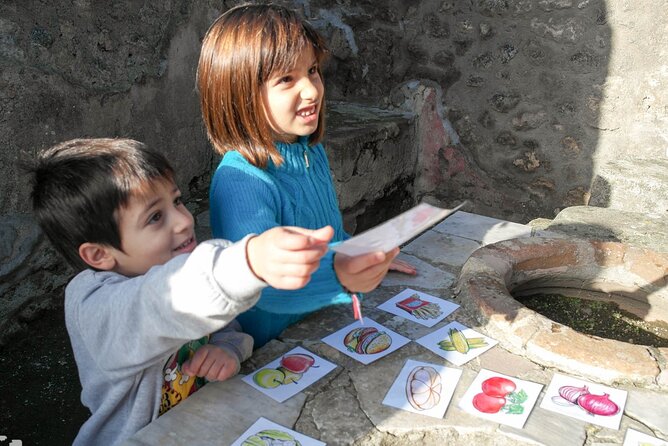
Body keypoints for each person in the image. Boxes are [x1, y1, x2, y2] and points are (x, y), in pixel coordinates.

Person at [28, 138, 334, 446]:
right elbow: (161, 301)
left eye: (176, 201)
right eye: (155, 217)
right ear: (99, 255)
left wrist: (228, 349)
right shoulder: (94, 305)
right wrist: (248, 263)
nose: (185, 221)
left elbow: (227, 326)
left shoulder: (180, 264)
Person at [197, 3, 416, 348]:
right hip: (271, 350)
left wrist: (361, 255)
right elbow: (263, 289)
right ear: (239, 94)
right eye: (287, 79)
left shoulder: (308, 149)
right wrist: (342, 275)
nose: (312, 91)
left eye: (312, 70)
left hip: (324, 325)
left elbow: (326, 233)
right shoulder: (242, 181)